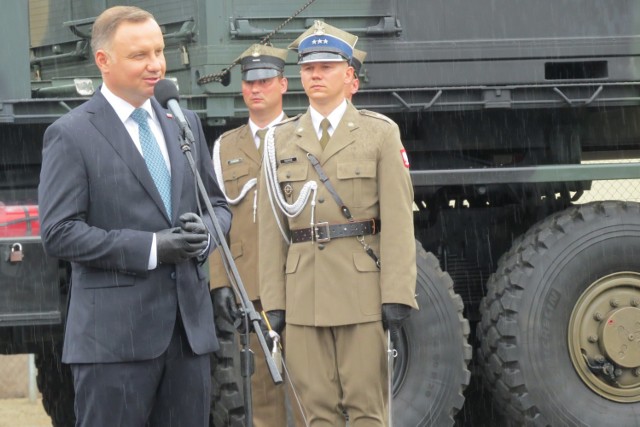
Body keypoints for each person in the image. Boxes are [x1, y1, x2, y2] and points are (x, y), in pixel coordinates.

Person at [38, 6, 231, 427]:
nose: (156, 65)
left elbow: (217, 205)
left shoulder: (184, 121)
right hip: (113, 345)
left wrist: (208, 234)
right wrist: (152, 247)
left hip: (188, 339)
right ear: (103, 61)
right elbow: (59, 232)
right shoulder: (71, 134)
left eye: (159, 51)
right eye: (140, 55)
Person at [257, 21, 418, 426]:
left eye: (326, 67)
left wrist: (397, 292)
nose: (315, 75)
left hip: (360, 291)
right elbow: (272, 231)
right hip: (303, 294)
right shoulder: (279, 140)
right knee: (315, 414)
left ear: (350, 76)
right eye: (308, 68)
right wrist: (273, 302)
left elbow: (398, 220)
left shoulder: (378, 133)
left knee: (367, 411)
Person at [209, 43, 289, 427]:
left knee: (311, 387)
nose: (256, 88)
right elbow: (213, 214)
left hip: (300, 279)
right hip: (250, 285)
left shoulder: (301, 136)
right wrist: (219, 282)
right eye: (249, 82)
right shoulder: (225, 147)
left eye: (265, 80)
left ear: (283, 85)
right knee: (261, 391)